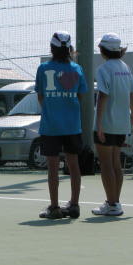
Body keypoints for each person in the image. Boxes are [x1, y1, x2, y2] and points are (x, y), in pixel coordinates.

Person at [35, 31, 87, 219]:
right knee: (73, 165)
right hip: (72, 125)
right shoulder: (77, 69)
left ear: (52, 48)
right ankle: (74, 205)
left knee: (53, 167)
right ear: (69, 48)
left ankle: (55, 207)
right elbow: (80, 96)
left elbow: (41, 96)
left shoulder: (43, 68)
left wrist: (52, 109)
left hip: (51, 125)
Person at [92, 33, 133, 217]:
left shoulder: (103, 69)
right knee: (115, 164)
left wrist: (99, 124)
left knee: (106, 165)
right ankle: (115, 203)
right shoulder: (125, 67)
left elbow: (103, 96)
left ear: (103, 49)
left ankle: (112, 204)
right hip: (121, 124)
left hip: (107, 123)